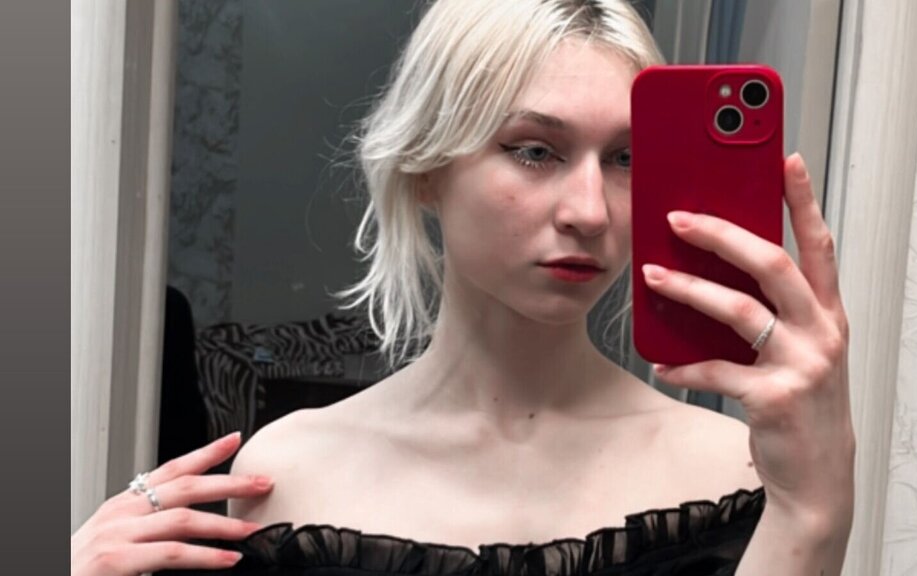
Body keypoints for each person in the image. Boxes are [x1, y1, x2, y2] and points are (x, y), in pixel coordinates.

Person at [71, 0, 855, 574]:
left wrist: (811, 517)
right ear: (426, 171)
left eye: (627, 159)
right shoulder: (292, 473)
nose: (589, 211)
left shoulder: (737, 471)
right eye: (535, 151)